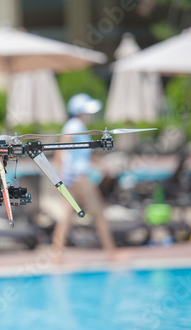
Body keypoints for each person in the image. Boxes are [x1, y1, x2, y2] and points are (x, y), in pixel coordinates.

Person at [52, 93, 121, 262]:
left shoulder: (77, 126)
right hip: (78, 178)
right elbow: (60, 150)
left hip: (73, 179)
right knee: (98, 212)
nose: (91, 115)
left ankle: (57, 254)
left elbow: (82, 154)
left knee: (67, 217)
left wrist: (101, 164)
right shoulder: (75, 126)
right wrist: (60, 176)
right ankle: (112, 253)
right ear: (80, 112)